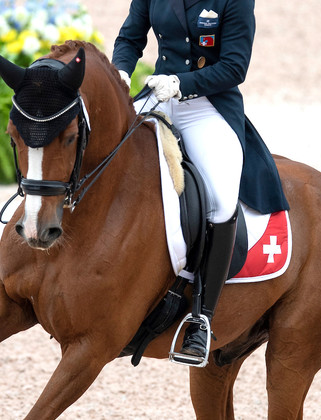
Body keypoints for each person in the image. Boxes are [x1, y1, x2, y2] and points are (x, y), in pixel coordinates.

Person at [112, 0, 289, 364]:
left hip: (207, 107)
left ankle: (201, 318)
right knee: (104, 160)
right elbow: (130, 37)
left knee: (221, 202)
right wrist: (120, 73)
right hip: (157, 98)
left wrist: (182, 83)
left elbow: (234, 66)